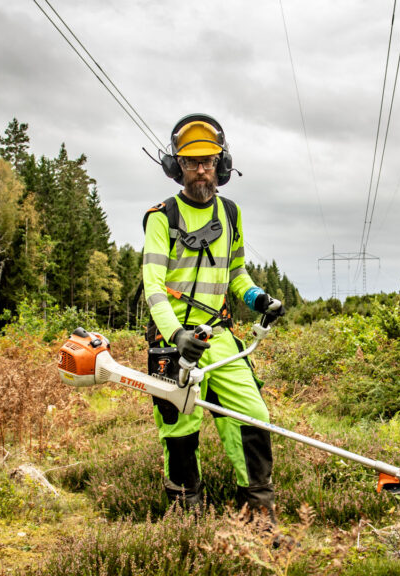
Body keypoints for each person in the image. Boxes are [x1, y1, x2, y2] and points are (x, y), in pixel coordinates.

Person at [142, 114, 285, 521]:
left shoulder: (231, 214)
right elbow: (153, 285)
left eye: (208, 160)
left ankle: (257, 512)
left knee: (252, 415)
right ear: (177, 168)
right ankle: (186, 515)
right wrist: (174, 333)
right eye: (191, 162)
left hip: (218, 336)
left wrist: (258, 298)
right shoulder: (161, 218)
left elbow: (236, 274)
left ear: (221, 164)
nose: (200, 169)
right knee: (179, 428)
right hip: (171, 342)